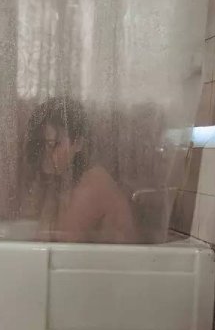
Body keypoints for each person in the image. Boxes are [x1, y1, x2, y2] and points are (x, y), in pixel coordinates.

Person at [25, 97, 138, 243]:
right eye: (41, 145)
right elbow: (44, 235)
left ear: (78, 143)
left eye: (53, 144)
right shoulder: (65, 181)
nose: (46, 153)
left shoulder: (92, 185)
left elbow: (62, 245)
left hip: (119, 257)